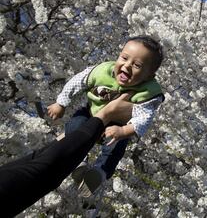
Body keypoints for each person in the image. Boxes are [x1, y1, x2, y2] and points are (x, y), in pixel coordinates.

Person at [47, 35, 164, 195]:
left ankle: (99, 173)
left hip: (117, 127)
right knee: (75, 126)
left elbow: (144, 118)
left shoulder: (147, 92)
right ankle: (77, 159)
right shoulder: (102, 71)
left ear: (149, 76)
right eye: (124, 58)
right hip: (90, 114)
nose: (127, 66)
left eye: (137, 65)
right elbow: (78, 81)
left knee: (115, 150)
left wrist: (123, 132)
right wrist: (61, 103)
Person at [0, 94, 133, 217]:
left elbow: (36, 162)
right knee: (41, 170)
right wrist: (106, 116)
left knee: (39, 164)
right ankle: (99, 170)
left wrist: (61, 103)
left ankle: (85, 162)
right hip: (102, 117)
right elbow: (41, 169)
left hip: (89, 120)